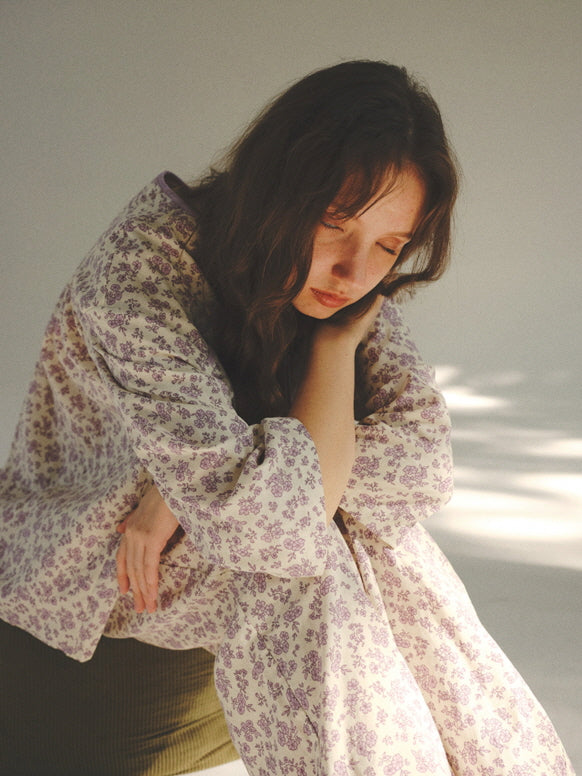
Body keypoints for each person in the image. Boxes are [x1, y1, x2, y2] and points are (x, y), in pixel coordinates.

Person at [0, 60, 574, 776]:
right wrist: (214, 474)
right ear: (279, 192)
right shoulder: (137, 275)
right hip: (94, 549)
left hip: (202, 519)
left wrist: (323, 359)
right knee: (302, 565)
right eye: (336, 226)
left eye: (389, 248)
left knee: (382, 545)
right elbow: (269, 528)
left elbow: (423, 466)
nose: (354, 273)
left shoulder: (347, 291)